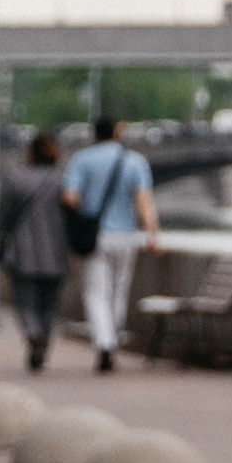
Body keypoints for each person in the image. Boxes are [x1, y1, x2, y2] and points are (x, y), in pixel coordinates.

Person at [61, 112, 157, 372]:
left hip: (96, 236)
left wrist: (83, 212)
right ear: (117, 132)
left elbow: (70, 197)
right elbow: (144, 201)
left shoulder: (82, 160)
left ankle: (104, 343)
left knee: (95, 292)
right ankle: (113, 338)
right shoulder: (134, 161)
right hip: (126, 236)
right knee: (119, 290)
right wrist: (153, 235)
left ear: (94, 134)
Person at [0, 129, 72, 371]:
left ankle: (32, 334)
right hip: (56, 251)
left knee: (24, 302)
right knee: (49, 304)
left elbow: (1, 215)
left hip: (22, 251)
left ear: (31, 153)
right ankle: (43, 341)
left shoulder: (14, 178)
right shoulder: (61, 181)